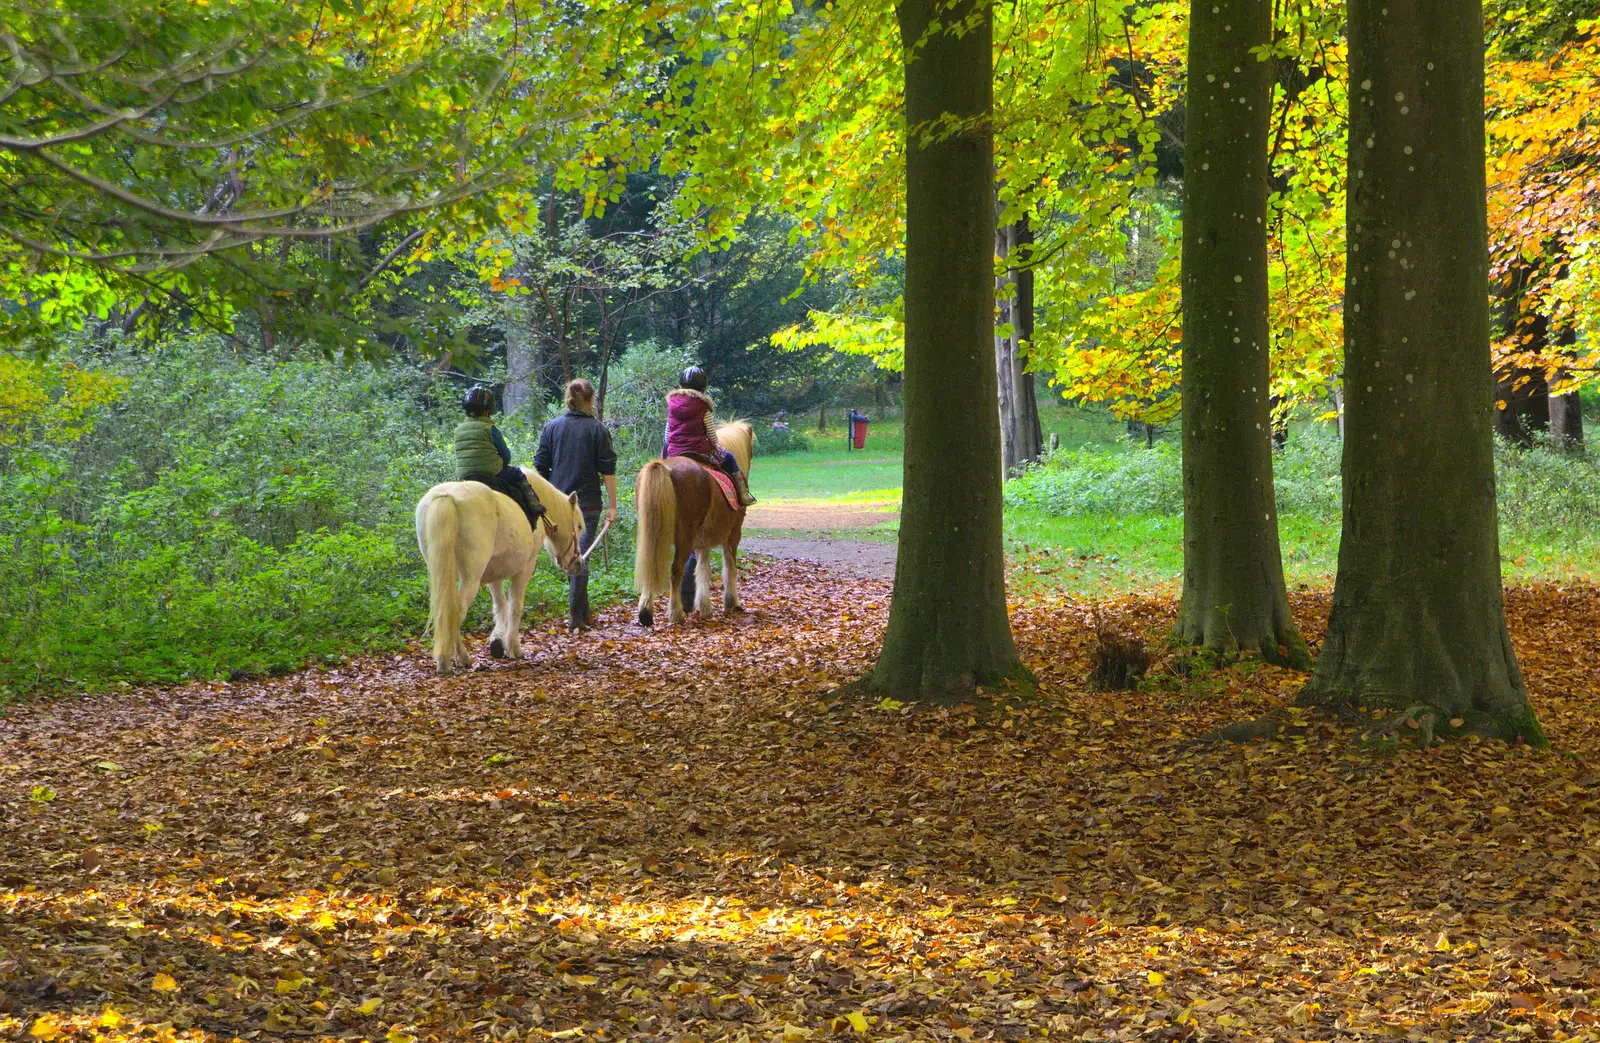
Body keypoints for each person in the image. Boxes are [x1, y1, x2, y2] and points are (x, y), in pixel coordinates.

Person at [535, 378, 617, 631]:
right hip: (587, 504)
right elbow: (608, 470)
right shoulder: (597, 430)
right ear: (591, 401)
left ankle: (584, 612)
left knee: (576, 557)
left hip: (557, 505)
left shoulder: (551, 427)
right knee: (578, 558)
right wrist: (613, 505)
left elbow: (540, 467)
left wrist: (548, 498)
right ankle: (575, 619)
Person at [452, 386, 547, 535]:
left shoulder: (458, 430)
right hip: (490, 475)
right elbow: (506, 456)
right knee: (517, 474)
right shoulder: (490, 429)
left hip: (464, 475)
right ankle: (534, 508)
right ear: (487, 411)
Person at [664, 366, 756, 506]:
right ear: (703, 386)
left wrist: (670, 447)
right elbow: (712, 436)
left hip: (675, 451)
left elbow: (667, 433)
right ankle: (743, 494)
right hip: (699, 450)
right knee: (730, 458)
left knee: (661, 462)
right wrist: (715, 444)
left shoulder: (673, 404)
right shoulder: (703, 406)